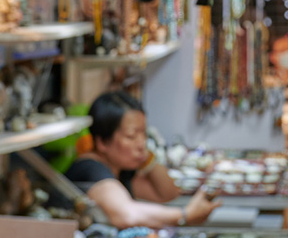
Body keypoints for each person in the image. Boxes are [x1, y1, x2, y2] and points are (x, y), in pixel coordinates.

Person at [65, 90, 221, 229]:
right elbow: (127, 214)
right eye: (131, 136)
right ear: (102, 142)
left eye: (144, 134)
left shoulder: (121, 169)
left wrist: (147, 159)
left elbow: (167, 193)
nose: (141, 144)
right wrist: (185, 215)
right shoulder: (90, 169)